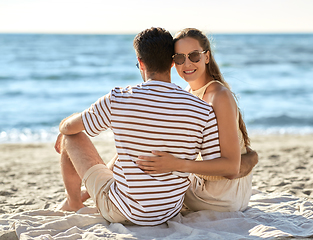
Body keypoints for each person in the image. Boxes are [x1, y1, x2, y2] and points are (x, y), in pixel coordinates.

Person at [54, 27, 228, 226]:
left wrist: (65, 127)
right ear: (172, 62)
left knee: (71, 137)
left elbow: (69, 128)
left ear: (141, 62)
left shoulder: (119, 98)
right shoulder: (201, 108)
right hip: (168, 211)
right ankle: (82, 197)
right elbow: (217, 165)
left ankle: (73, 202)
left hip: (123, 211)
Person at [137, 28, 257, 212]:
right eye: (179, 58)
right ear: (172, 63)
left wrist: (176, 164)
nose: (186, 64)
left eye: (194, 56)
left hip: (221, 196)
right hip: (209, 185)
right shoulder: (186, 94)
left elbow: (232, 167)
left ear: (206, 57)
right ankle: (92, 193)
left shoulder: (219, 95)